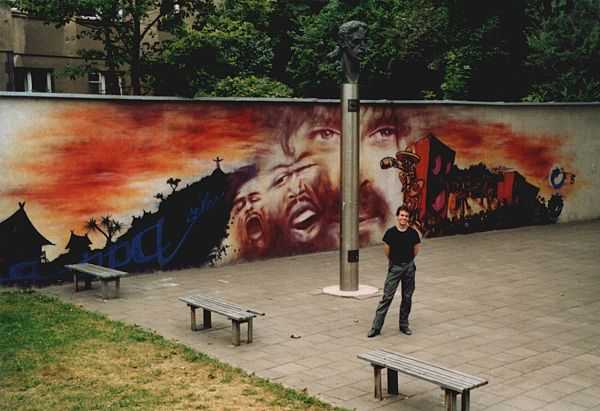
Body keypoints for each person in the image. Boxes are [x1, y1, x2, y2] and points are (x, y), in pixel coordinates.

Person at [368, 205, 421, 337]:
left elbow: (416, 249)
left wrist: (408, 262)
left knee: (407, 297)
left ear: (409, 219)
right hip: (395, 267)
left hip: (409, 267)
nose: (404, 218)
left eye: (406, 216)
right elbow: (387, 249)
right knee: (387, 297)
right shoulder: (390, 233)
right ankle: (376, 327)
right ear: (397, 217)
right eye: (402, 215)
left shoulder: (413, 233)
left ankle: (404, 325)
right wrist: (394, 262)